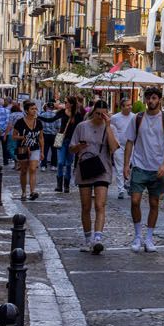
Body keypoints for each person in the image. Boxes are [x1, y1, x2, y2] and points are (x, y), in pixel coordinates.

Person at [123, 86, 164, 254]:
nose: (151, 101)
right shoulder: (137, 119)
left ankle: (149, 237)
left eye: (154, 98)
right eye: (148, 98)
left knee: (154, 203)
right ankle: (138, 235)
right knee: (134, 201)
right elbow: (129, 142)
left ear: (160, 100)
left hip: (158, 168)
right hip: (139, 166)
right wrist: (126, 165)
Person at [69, 98, 119, 253]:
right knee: (85, 206)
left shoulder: (110, 127)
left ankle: (98, 238)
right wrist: (79, 146)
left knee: (99, 205)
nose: (100, 117)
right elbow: (71, 148)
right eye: (97, 113)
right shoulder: (82, 126)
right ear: (92, 112)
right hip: (84, 168)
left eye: (103, 114)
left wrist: (108, 126)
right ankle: (87, 238)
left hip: (102, 169)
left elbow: (114, 147)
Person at [11, 100, 43, 200]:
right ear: (26, 110)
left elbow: (41, 137)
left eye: (35, 109)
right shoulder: (20, 122)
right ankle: (24, 192)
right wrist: (22, 137)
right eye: (32, 109)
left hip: (35, 148)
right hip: (22, 148)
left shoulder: (38, 122)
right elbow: (14, 136)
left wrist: (42, 151)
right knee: (24, 170)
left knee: (33, 169)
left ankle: (33, 191)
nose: (34, 111)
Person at [108, 95, 137, 199]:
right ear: (122, 107)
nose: (130, 107)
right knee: (119, 168)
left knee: (131, 166)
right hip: (119, 146)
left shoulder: (134, 117)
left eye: (130, 105)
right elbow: (110, 129)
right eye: (127, 105)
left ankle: (127, 183)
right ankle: (121, 189)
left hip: (132, 146)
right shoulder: (115, 118)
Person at [57, 95, 84, 193]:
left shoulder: (78, 115)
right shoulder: (62, 112)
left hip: (72, 142)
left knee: (68, 164)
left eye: (66, 102)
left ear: (71, 104)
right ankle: (59, 185)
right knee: (60, 162)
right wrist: (37, 117)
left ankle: (66, 185)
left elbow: (80, 128)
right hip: (62, 141)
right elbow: (52, 119)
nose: (64, 104)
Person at [39, 99, 61, 170]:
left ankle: (43, 166)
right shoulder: (57, 116)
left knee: (44, 150)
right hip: (54, 135)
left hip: (45, 135)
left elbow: (40, 126)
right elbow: (58, 127)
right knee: (54, 151)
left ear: (47, 107)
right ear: (53, 108)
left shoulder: (42, 115)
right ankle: (53, 165)